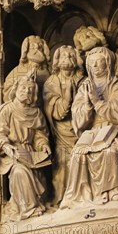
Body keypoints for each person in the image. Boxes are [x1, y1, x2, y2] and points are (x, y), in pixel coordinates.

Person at [61, 47, 118, 207]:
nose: (95, 66)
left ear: (108, 63)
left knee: (109, 151)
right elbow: (77, 116)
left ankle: (115, 189)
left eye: (99, 61)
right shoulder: (85, 87)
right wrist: (88, 106)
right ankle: (79, 196)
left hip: (115, 131)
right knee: (77, 155)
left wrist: (98, 102)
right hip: (91, 133)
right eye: (92, 63)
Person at [0, 74, 51, 220]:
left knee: (37, 175)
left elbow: (39, 135)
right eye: (23, 88)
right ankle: (28, 209)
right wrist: (5, 146)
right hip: (14, 153)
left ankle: (35, 204)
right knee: (19, 172)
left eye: (30, 90)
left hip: (31, 154)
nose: (27, 92)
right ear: (16, 89)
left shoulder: (36, 113)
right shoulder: (7, 110)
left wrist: (43, 145)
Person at [43, 46, 84, 205]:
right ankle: (62, 198)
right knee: (63, 163)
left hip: (81, 127)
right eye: (63, 56)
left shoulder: (82, 78)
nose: (67, 59)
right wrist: (66, 98)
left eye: (71, 56)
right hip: (62, 131)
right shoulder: (51, 83)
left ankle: (83, 194)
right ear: (57, 61)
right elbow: (57, 112)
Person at [3, 36, 51, 104]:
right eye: (32, 47)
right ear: (26, 50)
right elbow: (8, 93)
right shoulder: (18, 71)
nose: (37, 49)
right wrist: (23, 81)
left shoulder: (47, 73)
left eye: (40, 47)